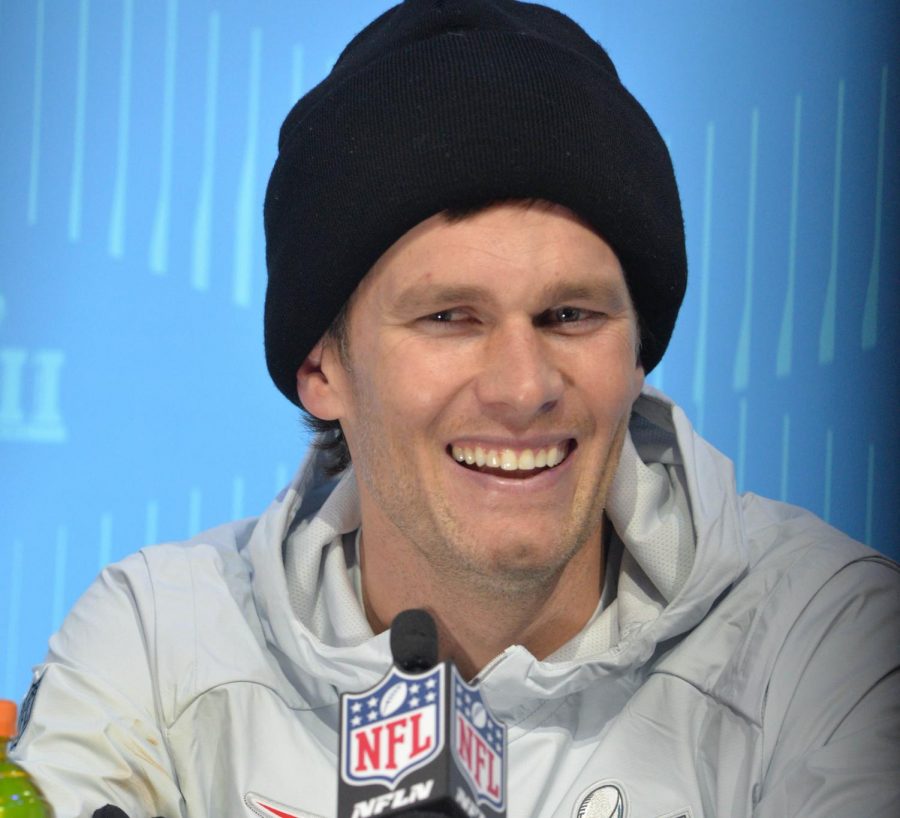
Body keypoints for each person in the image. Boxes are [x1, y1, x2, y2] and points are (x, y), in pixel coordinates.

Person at [10, 1, 900, 816]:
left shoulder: (828, 643)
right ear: (320, 367)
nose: (523, 385)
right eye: (450, 318)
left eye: (570, 316)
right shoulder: (163, 640)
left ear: (637, 355)